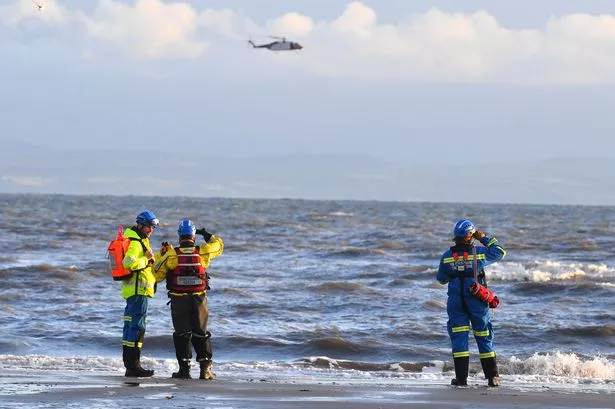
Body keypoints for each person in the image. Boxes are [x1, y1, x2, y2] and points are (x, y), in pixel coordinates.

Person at [437, 219, 506, 387]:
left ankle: (461, 379)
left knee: (459, 338)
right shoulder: (480, 253)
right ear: (471, 234)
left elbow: (441, 279)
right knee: (483, 336)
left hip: (455, 301)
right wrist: (483, 237)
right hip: (476, 299)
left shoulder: (447, 256)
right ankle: (492, 378)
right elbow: (500, 252)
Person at [153, 219, 224, 380]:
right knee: (201, 333)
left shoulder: (171, 255)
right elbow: (219, 245)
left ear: (179, 236)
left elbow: (156, 274)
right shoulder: (203, 251)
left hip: (178, 301)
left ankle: (184, 371)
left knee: (182, 334)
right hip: (199, 299)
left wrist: (162, 253)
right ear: (193, 235)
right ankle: (205, 370)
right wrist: (206, 234)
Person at [121, 210, 160, 377]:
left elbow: (147, 262)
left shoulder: (139, 240)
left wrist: (156, 257)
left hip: (136, 292)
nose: (151, 230)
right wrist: (146, 259)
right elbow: (128, 262)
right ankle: (133, 367)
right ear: (140, 225)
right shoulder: (136, 242)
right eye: (149, 227)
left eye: (153, 227)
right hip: (138, 292)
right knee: (137, 328)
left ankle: (131, 366)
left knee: (131, 327)